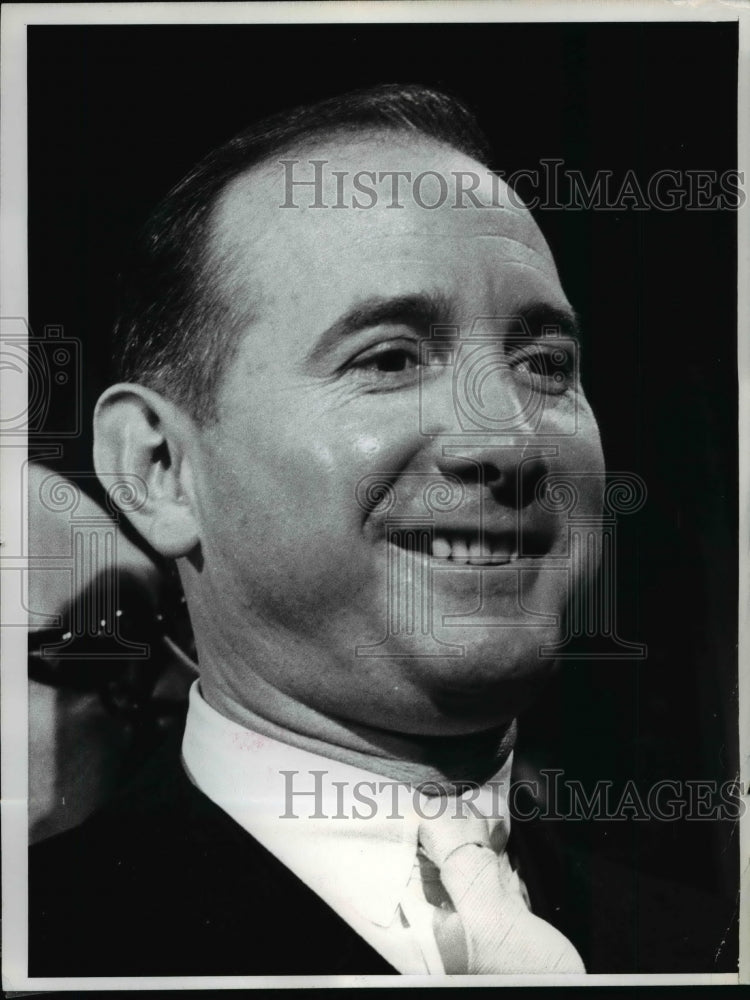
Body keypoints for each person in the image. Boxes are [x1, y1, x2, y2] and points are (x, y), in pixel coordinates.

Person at [27, 84, 728, 978]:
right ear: (160, 468)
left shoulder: (707, 946)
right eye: (391, 359)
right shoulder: (50, 948)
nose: (509, 440)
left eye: (545, 365)